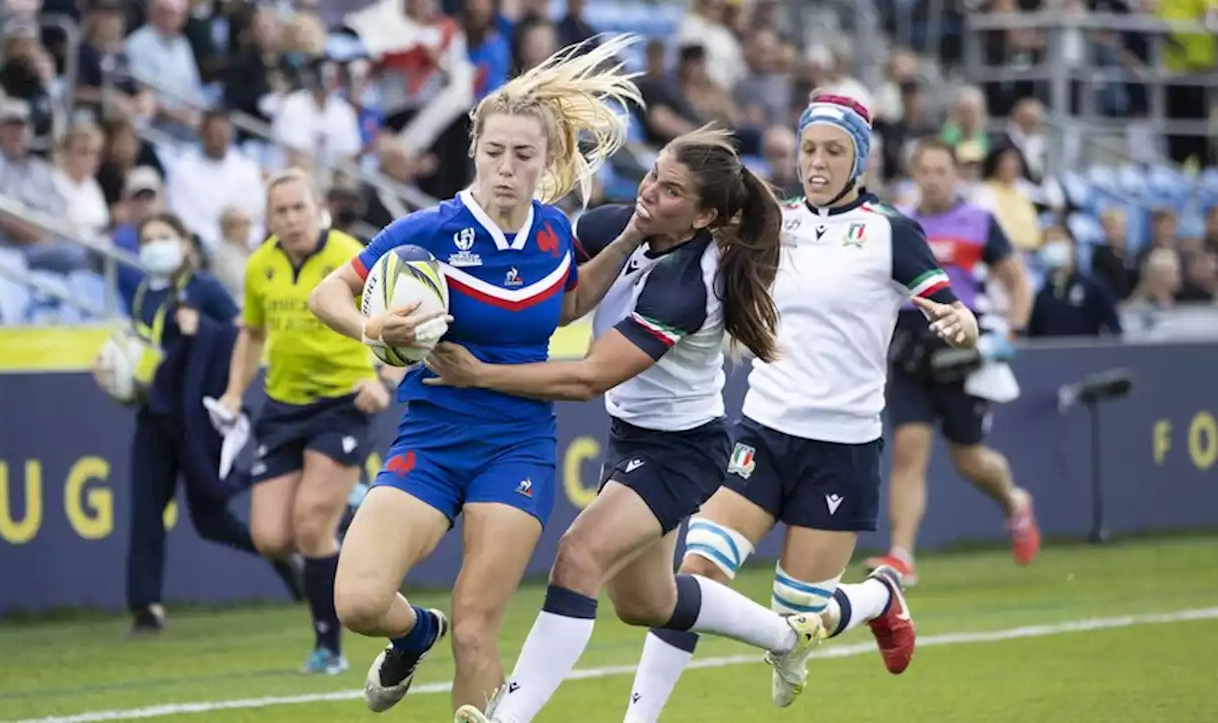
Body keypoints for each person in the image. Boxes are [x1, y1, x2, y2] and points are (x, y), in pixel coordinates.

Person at [424, 126, 825, 723]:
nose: (650, 192)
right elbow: (531, 250)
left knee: (577, 557)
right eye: (653, 174)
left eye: (670, 190)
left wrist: (478, 373)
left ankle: (508, 717)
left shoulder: (688, 284)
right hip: (632, 437)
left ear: (703, 216)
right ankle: (789, 639)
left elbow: (589, 378)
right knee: (647, 602)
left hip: (683, 451)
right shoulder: (626, 225)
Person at [612, 95, 984, 723]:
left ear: (859, 160)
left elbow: (954, 307)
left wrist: (960, 322)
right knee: (698, 573)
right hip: (762, 428)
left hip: (841, 447)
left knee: (800, 615)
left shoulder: (890, 231)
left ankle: (877, 595)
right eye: (810, 148)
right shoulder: (770, 219)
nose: (817, 162)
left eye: (834, 151)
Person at [305, 34, 645, 713]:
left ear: (547, 160)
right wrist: (374, 329)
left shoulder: (554, 232)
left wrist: (631, 237)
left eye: (523, 155)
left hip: (517, 444)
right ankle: (412, 631)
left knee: (477, 626)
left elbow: (568, 301)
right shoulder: (429, 229)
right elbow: (326, 295)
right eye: (494, 152)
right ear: (475, 151)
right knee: (360, 600)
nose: (506, 167)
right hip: (431, 434)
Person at [216, 170, 392, 674]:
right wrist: (232, 393)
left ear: (320, 209)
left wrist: (383, 380)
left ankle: (328, 649)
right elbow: (251, 334)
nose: (291, 219)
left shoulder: (352, 255)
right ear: (268, 218)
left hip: (344, 402)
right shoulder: (259, 266)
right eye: (281, 211)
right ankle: (354, 494)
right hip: (283, 406)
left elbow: (402, 320)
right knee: (271, 537)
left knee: (312, 526)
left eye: (299, 207)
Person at [91, 212, 301, 635]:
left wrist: (201, 327)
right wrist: (117, 375)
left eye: (164, 236)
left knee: (212, 521)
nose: (154, 245)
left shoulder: (204, 288)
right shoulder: (142, 295)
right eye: (147, 237)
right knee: (146, 512)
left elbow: (240, 335)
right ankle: (146, 608)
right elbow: (147, 354)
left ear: (186, 242)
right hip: (155, 416)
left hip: (196, 421)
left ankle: (281, 554)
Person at [864, 137, 1039, 585]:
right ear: (914, 174)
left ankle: (1015, 502)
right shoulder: (896, 222)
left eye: (943, 171)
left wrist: (1011, 332)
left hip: (961, 341)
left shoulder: (978, 221)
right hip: (908, 344)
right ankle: (902, 556)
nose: (935, 179)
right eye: (926, 171)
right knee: (908, 452)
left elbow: (1017, 281)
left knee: (970, 460)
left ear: (955, 175)